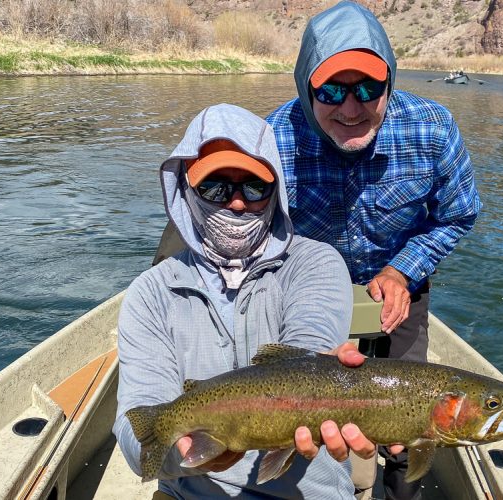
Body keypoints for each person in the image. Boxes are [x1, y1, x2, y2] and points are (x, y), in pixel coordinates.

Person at [265, 2, 481, 498]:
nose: (351, 107)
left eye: (368, 88)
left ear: (389, 84)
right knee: (304, 420)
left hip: (400, 298)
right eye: (332, 91)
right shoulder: (273, 140)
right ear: (306, 87)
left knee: (410, 432)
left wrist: (403, 271)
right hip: (307, 296)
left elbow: (460, 213)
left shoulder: (433, 128)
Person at [113, 103, 376, 499]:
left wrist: (322, 366)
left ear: (276, 192)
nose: (236, 202)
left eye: (254, 187)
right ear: (186, 189)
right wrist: (186, 452)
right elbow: (139, 434)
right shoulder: (150, 294)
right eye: (215, 187)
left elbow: (308, 342)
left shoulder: (316, 263)